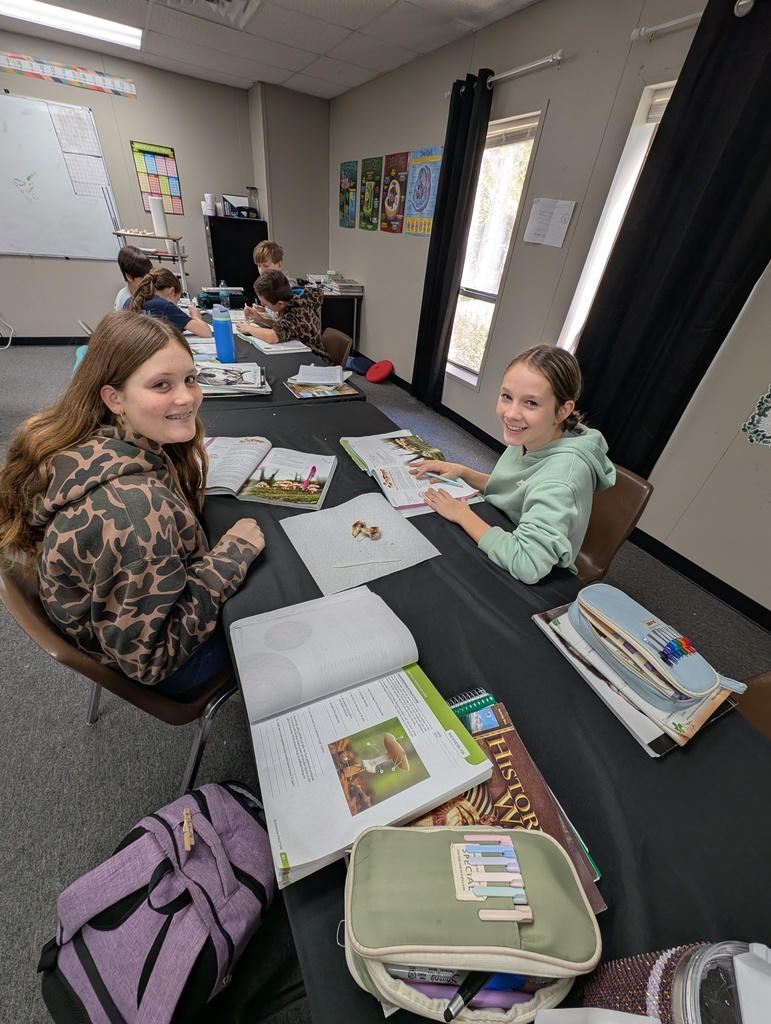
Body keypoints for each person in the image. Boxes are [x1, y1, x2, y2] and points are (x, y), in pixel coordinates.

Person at [0, 311, 265, 695]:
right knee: (276, 607)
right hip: (165, 664)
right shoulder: (136, 517)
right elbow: (153, 660)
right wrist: (231, 556)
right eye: (161, 385)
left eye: (190, 379)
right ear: (114, 397)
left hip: (111, 621)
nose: (186, 397)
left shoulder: (84, 439)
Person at [410, 344, 615, 584]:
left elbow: (527, 564)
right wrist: (463, 472)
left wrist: (462, 515)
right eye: (507, 396)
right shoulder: (535, 434)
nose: (511, 414)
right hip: (504, 529)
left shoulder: (562, 478)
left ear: (563, 411)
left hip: (529, 571)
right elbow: (516, 488)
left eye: (531, 403)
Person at [237, 269, 328, 360]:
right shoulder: (292, 300)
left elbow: (272, 337)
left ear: (280, 304)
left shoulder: (299, 312)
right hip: (299, 354)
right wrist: (261, 319)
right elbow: (283, 325)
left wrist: (249, 329)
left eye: (264, 304)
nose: (261, 305)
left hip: (313, 360)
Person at [127, 266, 212, 338]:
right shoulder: (163, 306)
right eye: (177, 300)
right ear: (171, 292)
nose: (176, 305)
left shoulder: (130, 301)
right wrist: (195, 316)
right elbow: (206, 332)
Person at [244, 239, 298, 323]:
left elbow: (284, 324)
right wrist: (263, 308)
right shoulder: (267, 283)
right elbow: (273, 312)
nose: (261, 270)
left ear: (279, 265)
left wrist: (262, 318)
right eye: (258, 265)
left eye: (266, 265)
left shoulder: (287, 287)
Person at [114, 245, 152, 311]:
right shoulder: (123, 299)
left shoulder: (147, 291)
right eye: (142, 279)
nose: (147, 282)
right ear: (129, 277)